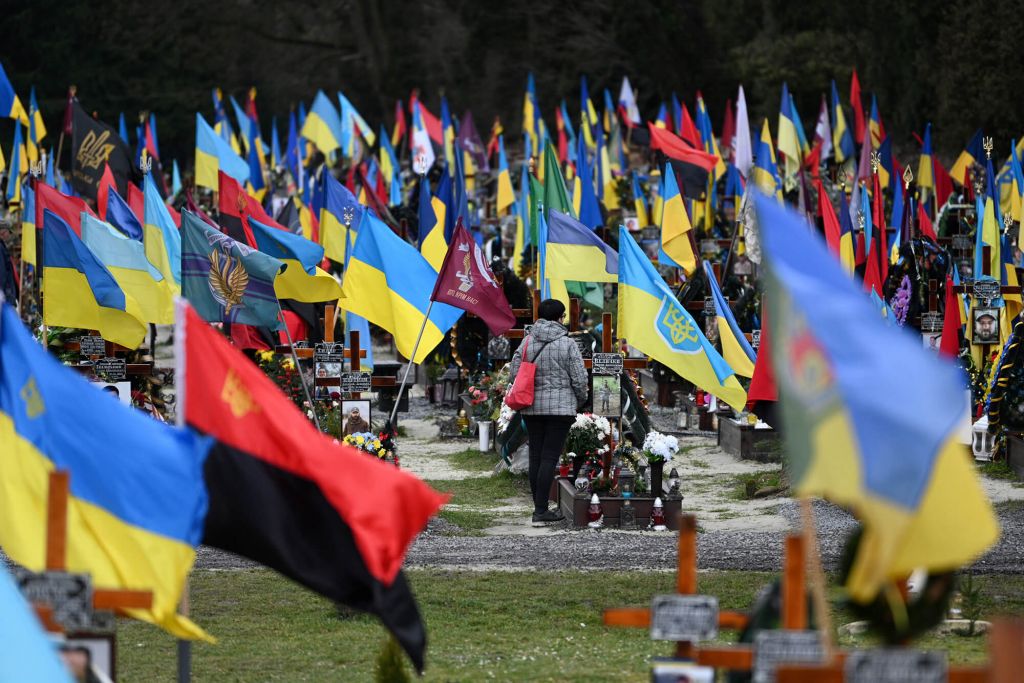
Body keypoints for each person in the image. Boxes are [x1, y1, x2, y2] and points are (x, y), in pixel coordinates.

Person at [509, 299, 588, 526]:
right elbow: (579, 378)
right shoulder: (567, 344)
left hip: (531, 408)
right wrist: (579, 400)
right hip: (560, 409)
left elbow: (515, 372)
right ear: (560, 317)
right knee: (550, 457)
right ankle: (541, 511)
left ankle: (539, 507)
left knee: (536, 456)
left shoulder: (527, 341)